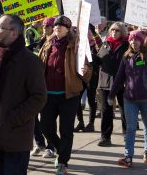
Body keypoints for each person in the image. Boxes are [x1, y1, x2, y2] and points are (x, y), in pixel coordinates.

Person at [0, 14, 47, 175]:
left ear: (14, 33)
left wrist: (13, 119)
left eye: (0, 29)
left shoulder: (30, 61)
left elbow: (39, 97)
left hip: (16, 136)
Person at [39, 15, 92, 175]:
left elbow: (88, 69)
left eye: (61, 26)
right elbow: (40, 64)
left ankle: (62, 162)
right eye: (55, 26)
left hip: (69, 95)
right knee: (45, 127)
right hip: (48, 94)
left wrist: (86, 71)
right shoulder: (47, 44)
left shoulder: (76, 45)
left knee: (66, 130)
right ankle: (61, 148)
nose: (57, 28)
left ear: (68, 28)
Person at [109, 29, 147, 166]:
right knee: (131, 128)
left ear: (141, 41)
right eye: (132, 39)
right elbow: (119, 77)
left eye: (137, 39)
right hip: (130, 99)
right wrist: (111, 95)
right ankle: (128, 157)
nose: (134, 42)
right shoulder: (126, 56)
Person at [96, 22, 129, 146]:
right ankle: (105, 137)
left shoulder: (127, 45)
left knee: (124, 109)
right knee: (106, 111)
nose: (114, 32)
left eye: (117, 30)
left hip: (122, 82)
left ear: (122, 32)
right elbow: (99, 60)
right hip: (106, 82)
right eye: (112, 30)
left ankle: (127, 134)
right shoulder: (105, 44)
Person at [31, 16, 56, 158]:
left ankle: (51, 147)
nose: (45, 28)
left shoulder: (55, 43)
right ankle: (39, 143)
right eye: (44, 26)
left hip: (49, 85)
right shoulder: (40, 41)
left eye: (48, 26)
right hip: (36, 82)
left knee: (48, 119)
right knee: (33, 115)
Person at [74, 24, 101, 132]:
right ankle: (80, 122)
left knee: (91, 99)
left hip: (92, 75)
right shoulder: (78, 44)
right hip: (80, 76)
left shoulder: (95, 46)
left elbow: (100, 46)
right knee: (76, 100)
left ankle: (91, 123)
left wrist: (94, 32)